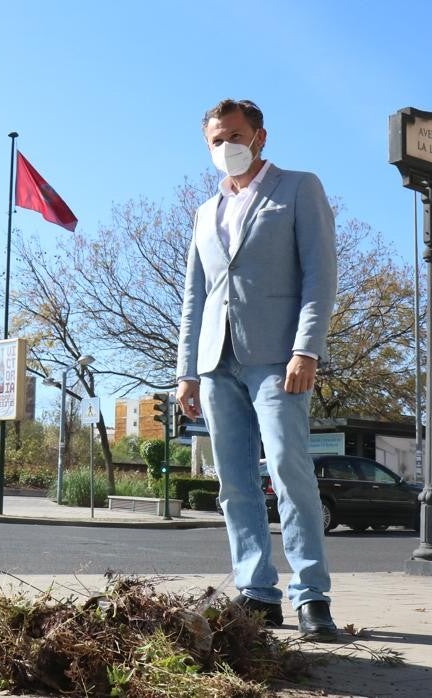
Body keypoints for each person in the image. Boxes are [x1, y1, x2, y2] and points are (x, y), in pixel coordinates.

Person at [175, 99, 339, 642]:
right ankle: (256, 594)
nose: (227, 147)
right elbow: (194, 297)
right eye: (217, 140)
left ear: (260, 136)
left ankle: (311, 596)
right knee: (234, 484)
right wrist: (186, 372)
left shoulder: (297, 188)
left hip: (278, 359)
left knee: (290, 472)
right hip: (215, 361)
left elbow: (320, 275)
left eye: (236, 135)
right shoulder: (204, 212)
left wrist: (307, 349)